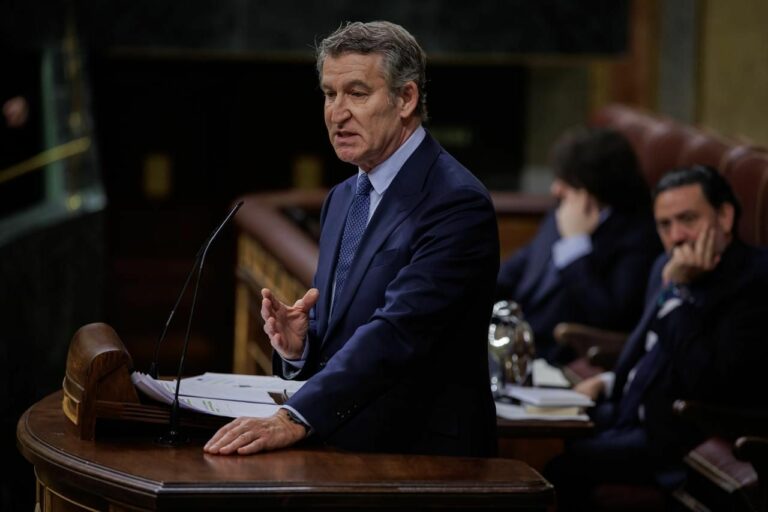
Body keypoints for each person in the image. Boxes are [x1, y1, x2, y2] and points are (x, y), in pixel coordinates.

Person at [204, 21, 500, 457]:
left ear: (406, 99)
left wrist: (293, 416)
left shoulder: (456, 204)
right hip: (347, 446)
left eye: (357, 94)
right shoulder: (343, 198)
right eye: (329, 94)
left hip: (424, 461)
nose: (337, 113)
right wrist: (301, 346)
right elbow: (349, 324)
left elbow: (398, 332)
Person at [545, 165, 768, 510]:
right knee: (541, 435)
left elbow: (712, 382)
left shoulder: (754, 280)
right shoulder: (664, 265)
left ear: (724, 216)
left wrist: (679, 295)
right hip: (627, 411)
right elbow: (652, 349)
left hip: (677, 437)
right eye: (665, 225)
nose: (676, 236)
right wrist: (606, 381)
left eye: (688, 219)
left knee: (557, 466)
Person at [496, 127, 662, 363]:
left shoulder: (639, 236)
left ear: (595, 187)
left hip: (557, 356)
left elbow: (609, 317)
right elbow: (518, 267)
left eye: (567, 181)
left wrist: (576, 246)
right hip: (509, 337)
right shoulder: (563, 209)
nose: (555, 189)